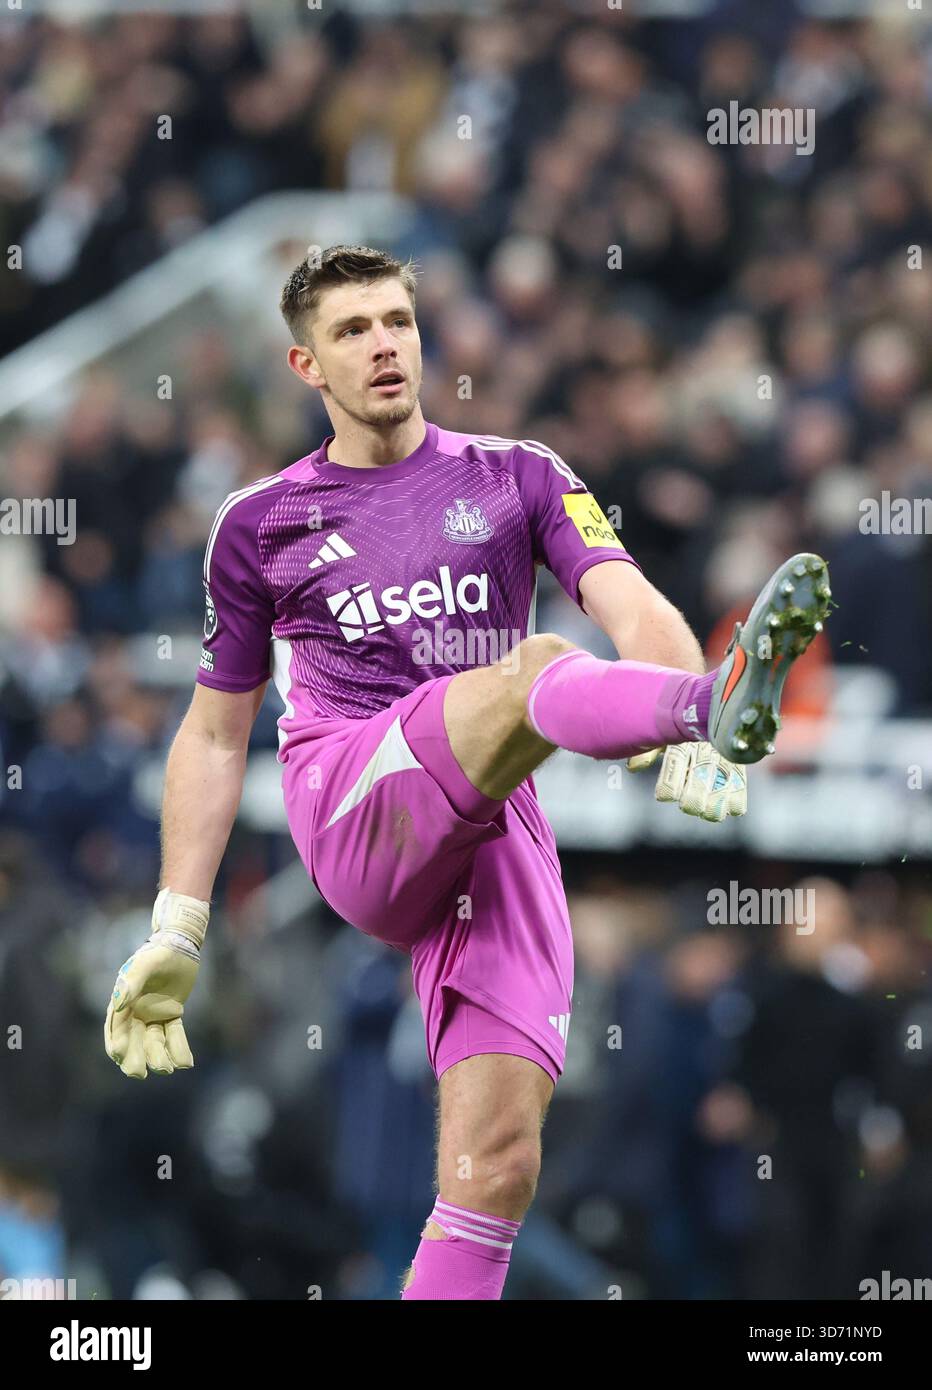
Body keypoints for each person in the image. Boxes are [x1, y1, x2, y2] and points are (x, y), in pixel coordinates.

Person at [104, 245, 831, 1300]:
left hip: (493, 825)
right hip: (355, 801)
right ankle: (711, 707)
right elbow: (215, 735)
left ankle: (701, 709)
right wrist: (177, 923)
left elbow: (629, 605)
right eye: (352, 330)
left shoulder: (521, 474)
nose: (384, 342)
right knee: (530, 666)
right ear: (305, 364)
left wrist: (674, 709)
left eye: (397, 319)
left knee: (494, 1167)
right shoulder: (260, 523)